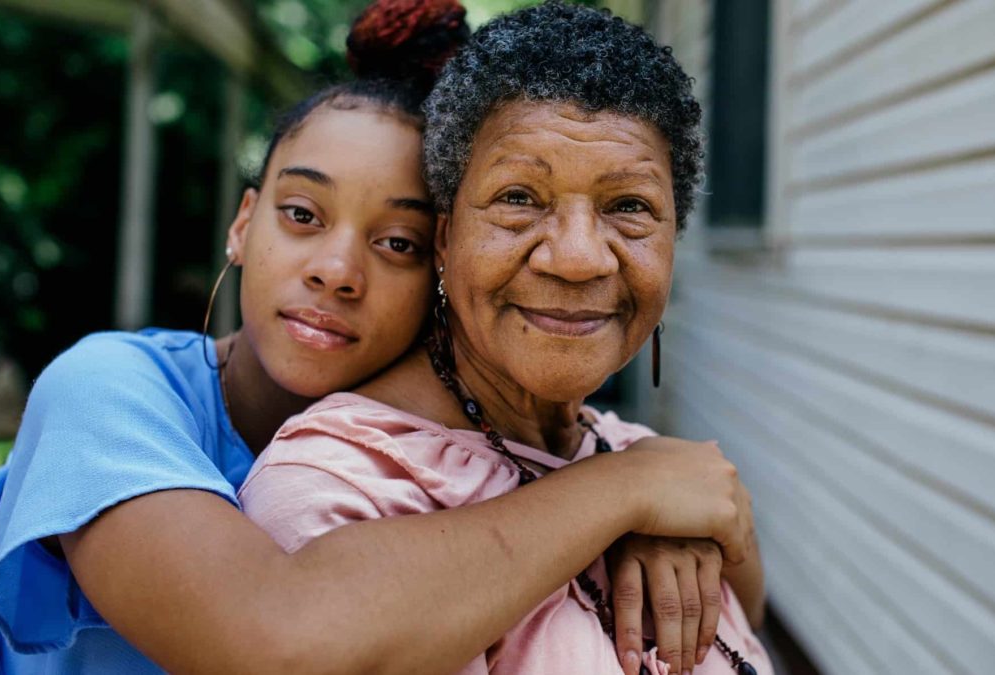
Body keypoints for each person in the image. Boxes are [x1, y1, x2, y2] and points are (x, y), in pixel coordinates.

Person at [0, 2, 759, 674]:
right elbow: (273, 634)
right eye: (302, 215)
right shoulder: (112, 389)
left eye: (395, 241)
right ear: (243, 222)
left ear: (441, 260)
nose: (336, 269)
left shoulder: (478, 447)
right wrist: (627, 491)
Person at [238, 4, 770, 675]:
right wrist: (628, 491)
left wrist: (691, 512)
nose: (579, 258)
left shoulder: (653, 465)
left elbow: (748, 608)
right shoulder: (342, 488)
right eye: (519, 196)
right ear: (445, 237)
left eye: (629, 206)